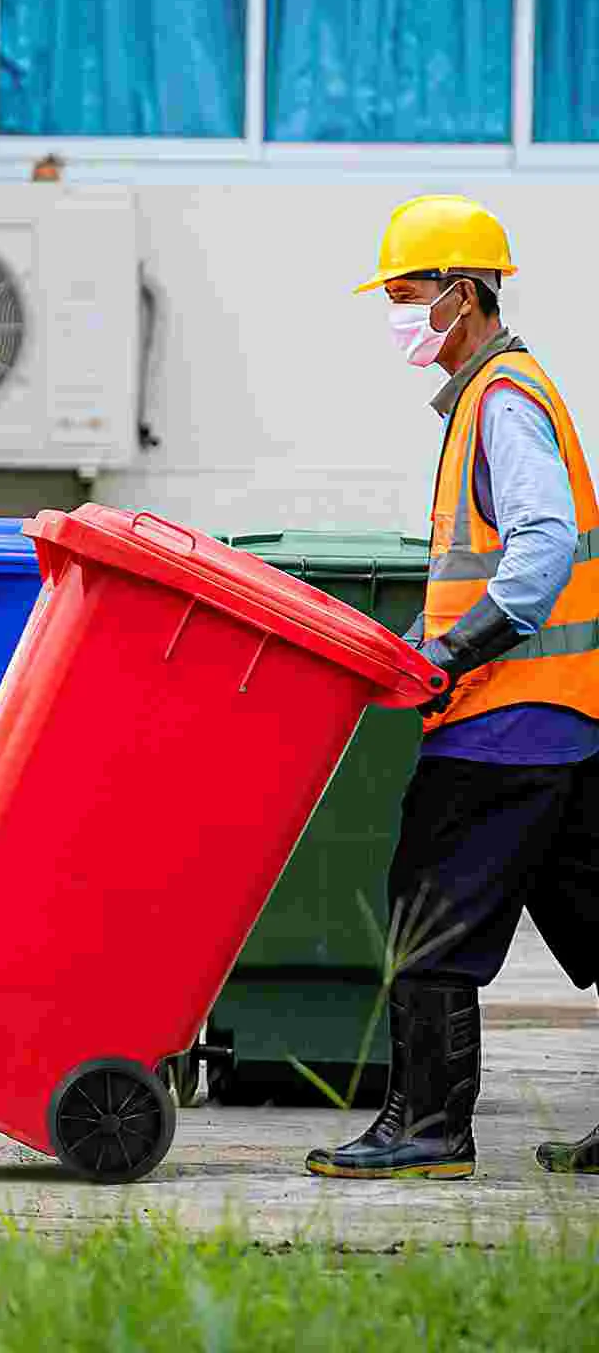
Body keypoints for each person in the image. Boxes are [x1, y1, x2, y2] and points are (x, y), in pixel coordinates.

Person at [306, 195, 598, 1180]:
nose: (394, 311)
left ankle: (429, 1128)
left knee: (426, 920)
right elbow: (477, 567)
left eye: (404, 291)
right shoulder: (494, 393)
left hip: (499, 730)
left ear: (461, 295)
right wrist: (405, 643)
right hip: (561, 722)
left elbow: (543, 546)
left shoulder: (501, 402)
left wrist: (454, 652)